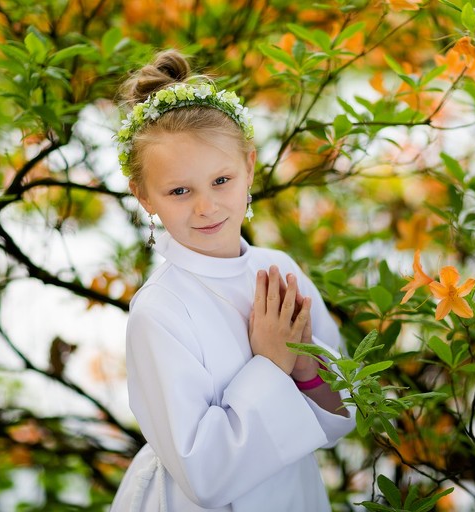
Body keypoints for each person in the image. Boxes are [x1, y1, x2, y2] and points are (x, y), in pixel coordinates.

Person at [110, 50, 356, 512]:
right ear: (144, 197)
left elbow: (342, 415)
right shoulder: (159, 310)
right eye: (179, 191)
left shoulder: (280, 270)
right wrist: (271, 364)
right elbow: (202, 476)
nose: (206, 207)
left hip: (294, 493)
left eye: (221, 180)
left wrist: (306, 370)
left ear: (249, 167)